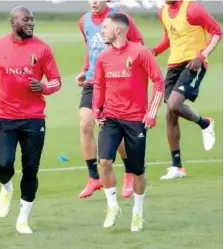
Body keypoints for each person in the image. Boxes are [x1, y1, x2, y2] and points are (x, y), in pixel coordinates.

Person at [0, 6, 62, 234]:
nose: (31, 24)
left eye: (32, 20)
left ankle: (23, 218)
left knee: (31, 169)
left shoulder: (42, 48)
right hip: (4, 118)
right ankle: (6, 187)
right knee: (4, 164)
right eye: (26, 20)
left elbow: (56, 81)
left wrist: (43, 86)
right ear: (12, 22)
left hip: (34, 118)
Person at [93, 13, 164, 231]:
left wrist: (151, 113)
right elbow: (99, 84)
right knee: (103, 162)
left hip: (135, 119)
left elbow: (159, 82)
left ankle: (137, 212)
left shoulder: (141, 52)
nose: (102, 31)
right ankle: (112, 206)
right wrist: (97, 109)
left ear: (118, 30)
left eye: (105, 27)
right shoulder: (103, 57)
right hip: (111, 117)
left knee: (137, 171)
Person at [76, 0, 144, 199]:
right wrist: (83, 70)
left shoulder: (120, 18)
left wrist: (128, 70)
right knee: (85, 124)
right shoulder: (83, 21)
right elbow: (90, 49)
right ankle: (93, 178)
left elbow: (139, 46)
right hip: (92, 81)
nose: (94, 2)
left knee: (114, 132)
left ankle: (129, 173)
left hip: (115, 80)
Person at [151, 0, 222, 180]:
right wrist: (155, 51)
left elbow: (217, 32)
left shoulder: (192, 8)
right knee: (170, 113)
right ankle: (177, 167)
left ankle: (205, 123)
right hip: (173, 65)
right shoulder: (163, 12)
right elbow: (169, 39)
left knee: (174, 104)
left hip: (192, 64)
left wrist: (201, 56)